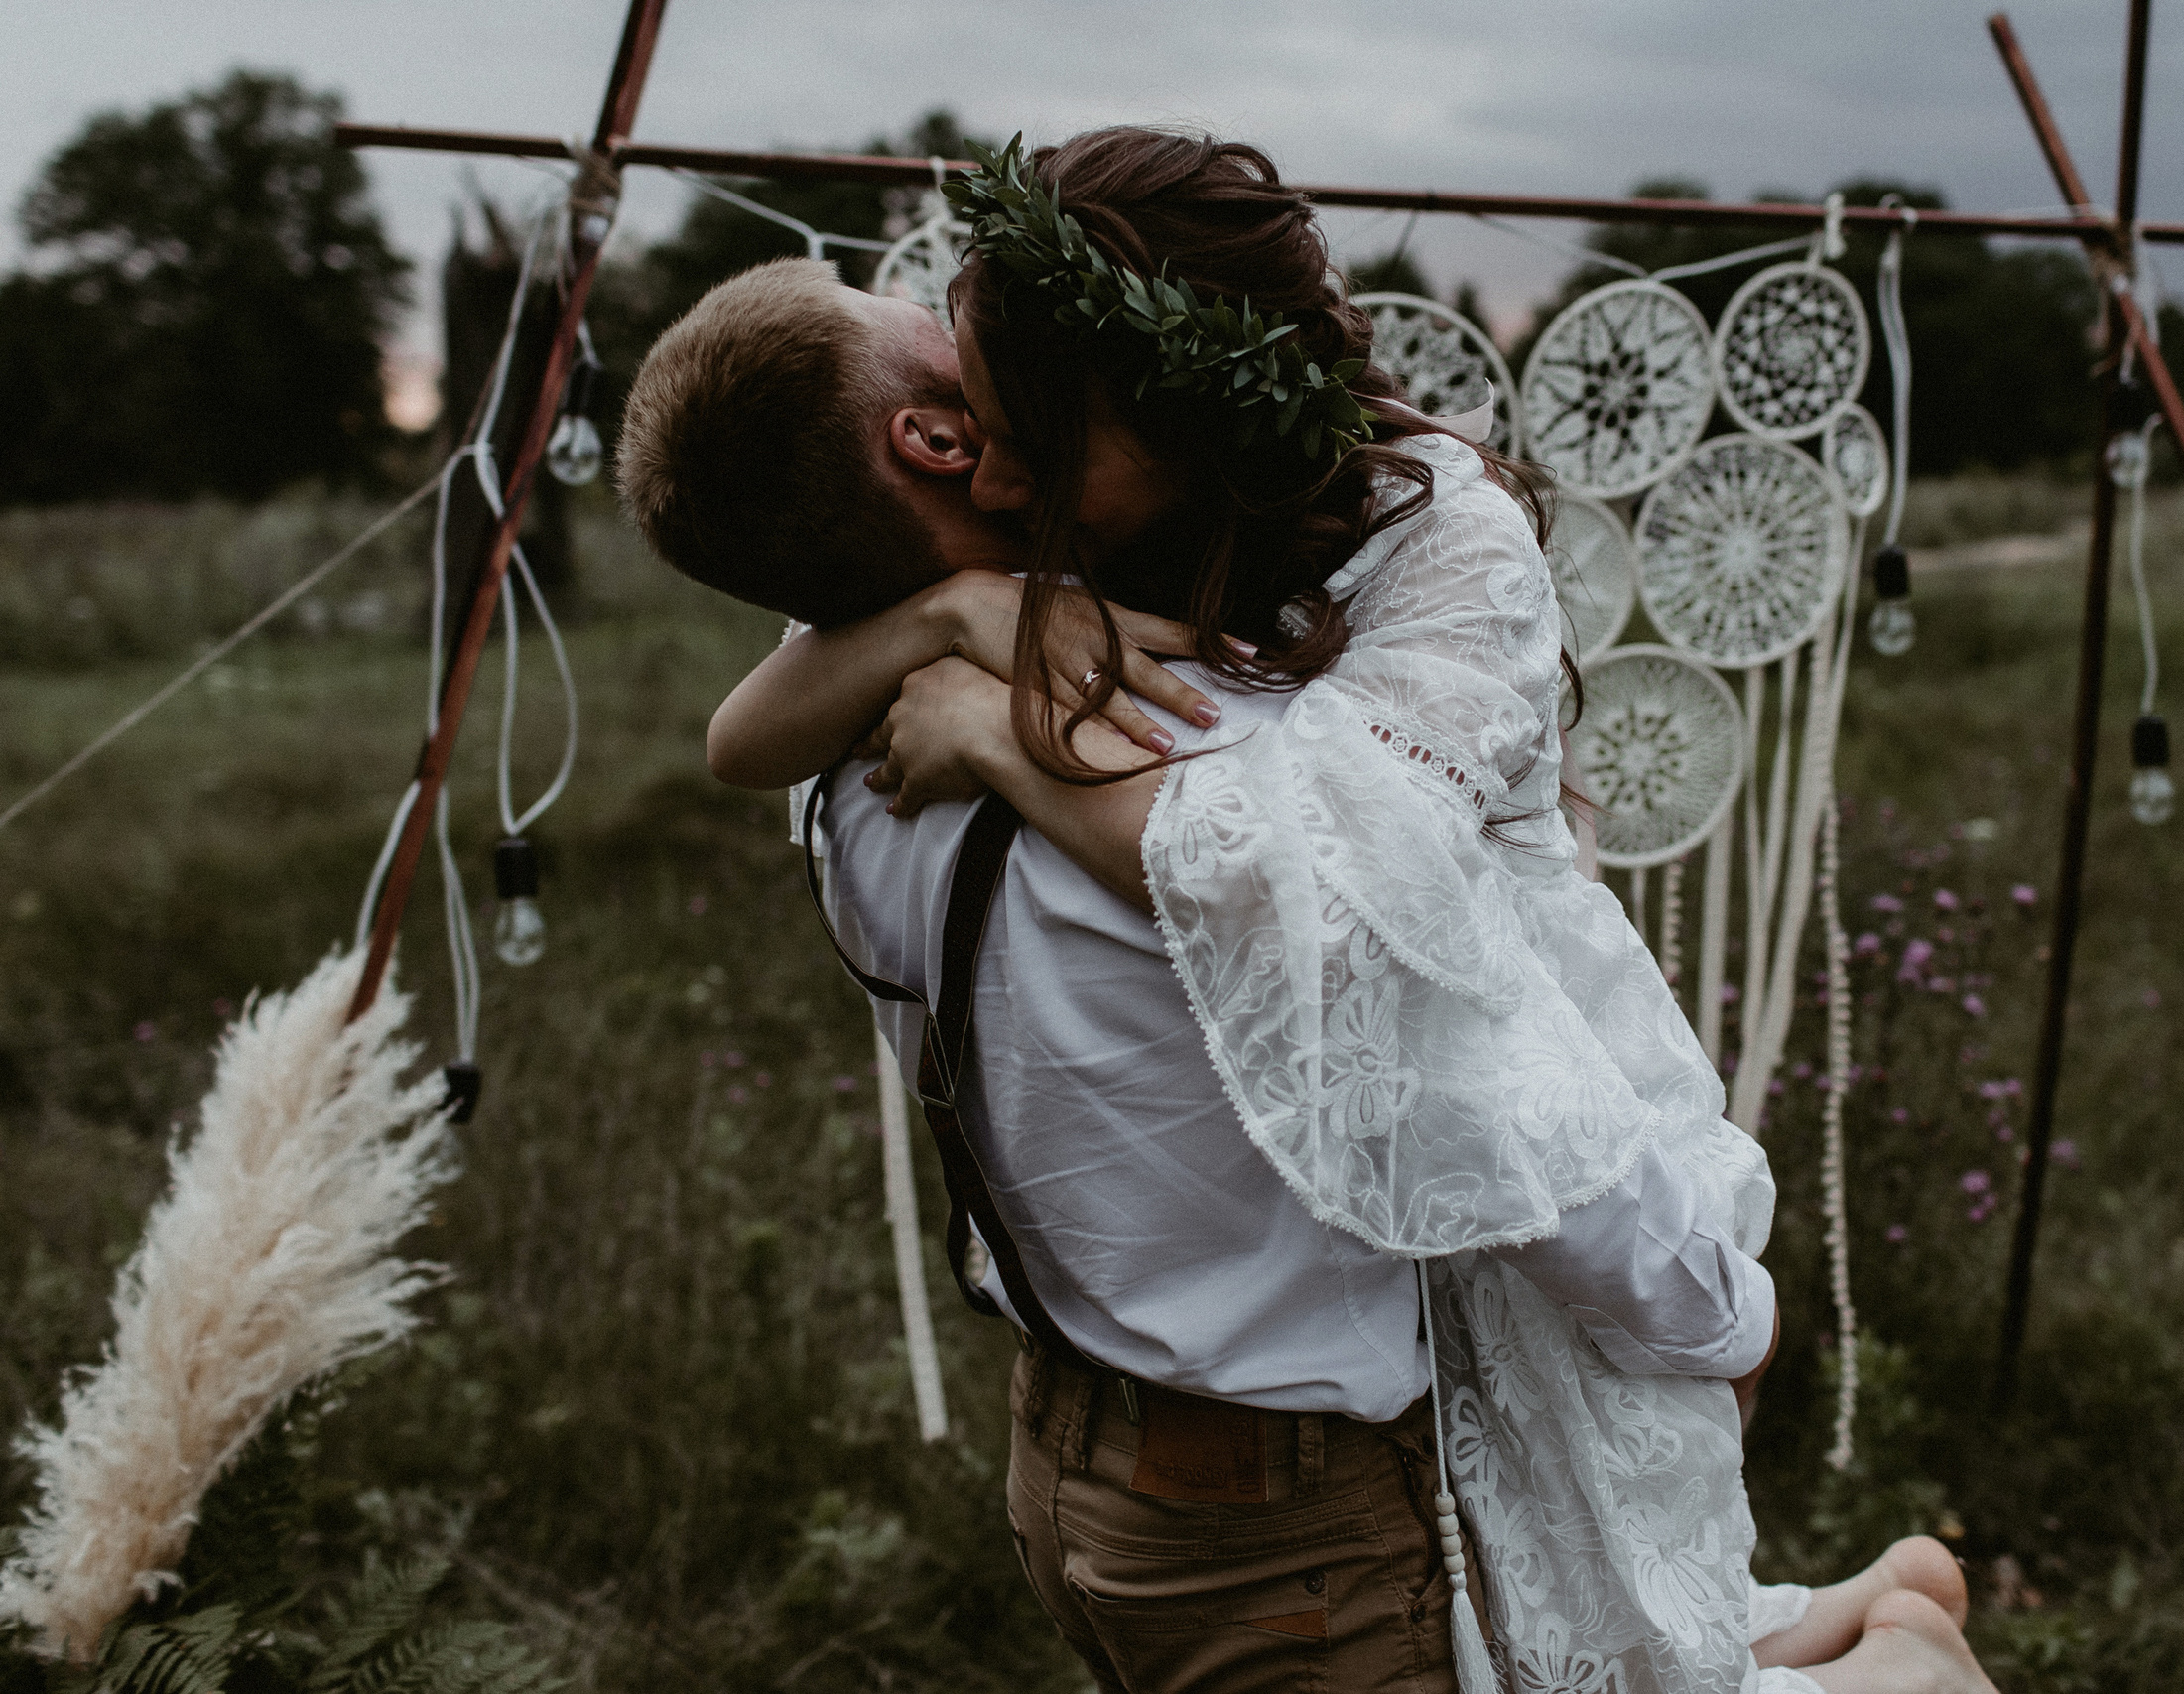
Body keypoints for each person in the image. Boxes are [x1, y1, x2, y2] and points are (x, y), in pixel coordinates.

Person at [618, 136, 1991, 1694]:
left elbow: (1457, 1021)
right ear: (934, 442)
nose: (945, 312)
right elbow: (1476, 1074)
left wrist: (977, 673)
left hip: (1089, 1464)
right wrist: (1708, 1314)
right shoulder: (1201, 748)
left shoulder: (857, 755)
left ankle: (1880, 1650)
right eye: (934, 344)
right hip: (1267, 1495)